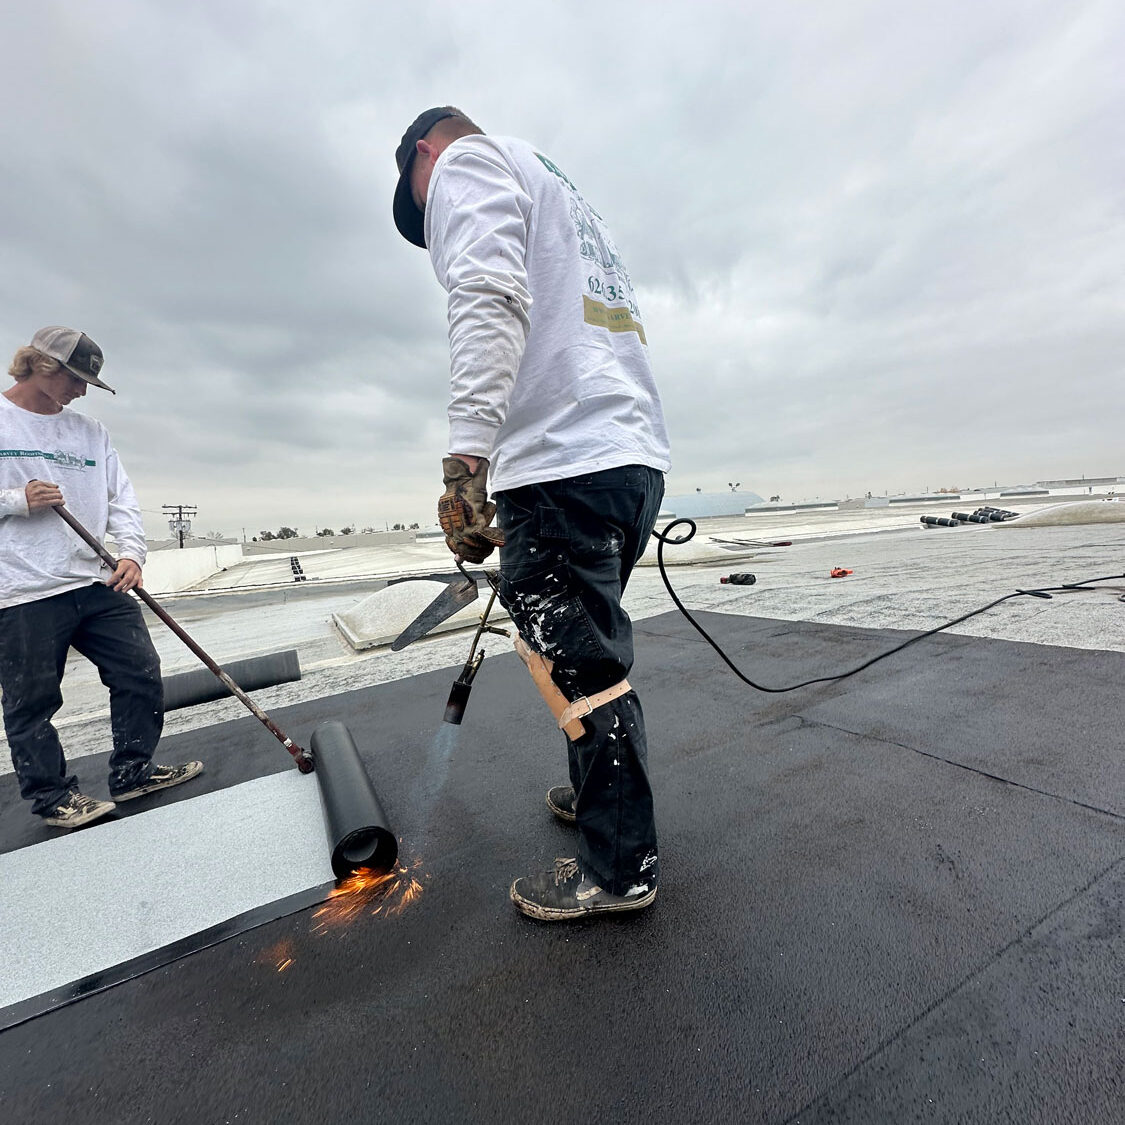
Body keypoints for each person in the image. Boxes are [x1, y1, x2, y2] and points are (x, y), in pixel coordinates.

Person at [393, 108, 671, 921]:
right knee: (578, 648)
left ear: (422, 154)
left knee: (579, 668)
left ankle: (619, 868)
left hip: (564, 460)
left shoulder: (465, 163)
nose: (430, 211)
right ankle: (602, 795)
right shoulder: (556, 187)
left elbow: (485, 293)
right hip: (624, 455)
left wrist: (465, 461)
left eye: (421, 199)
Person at [0, 326, 202, 829]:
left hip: (96, 579)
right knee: (32, 700)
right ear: (43, 367)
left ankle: (133, 771)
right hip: (24, 588)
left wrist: (132, 554)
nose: (83, 390)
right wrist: (16, 500)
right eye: (77, 378)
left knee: (139, 671)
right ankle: (52, 797)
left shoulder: (90, 432)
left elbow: (121, 499)